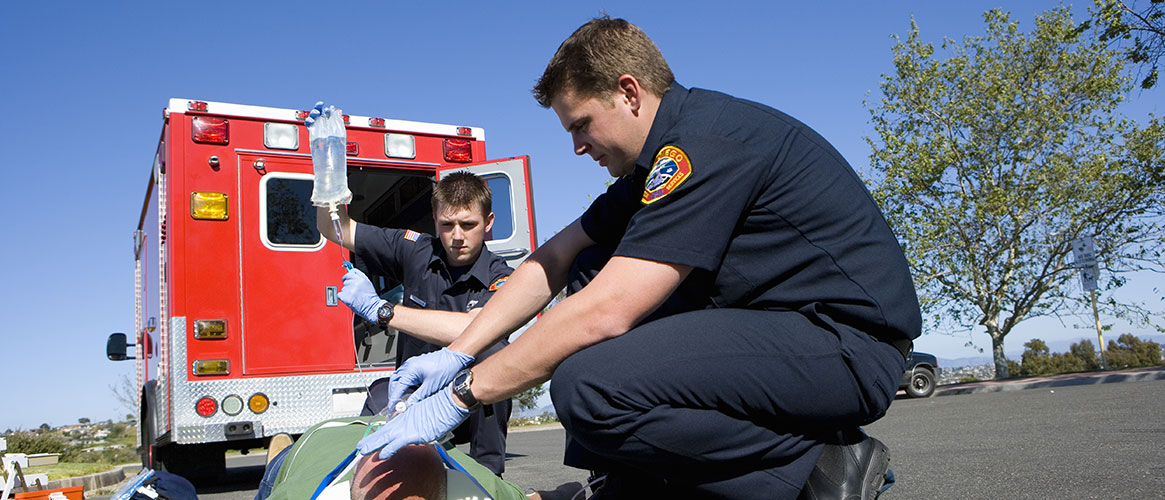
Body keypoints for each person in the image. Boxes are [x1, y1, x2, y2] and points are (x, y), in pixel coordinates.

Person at [357, 16, 922, 500]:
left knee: (588, 385)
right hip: (785, 332)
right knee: (588, 267)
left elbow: (607, 312)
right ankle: (626, 485)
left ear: (629, 92)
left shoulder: (702, 144)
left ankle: (818, 466)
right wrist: (459, 351)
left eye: (581, 125)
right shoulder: (652, 166)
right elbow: (556, 256)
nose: (577, 146)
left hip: (846, 346)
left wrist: (464, 393)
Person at [305, 137, 515, 477]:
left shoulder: (500, 276)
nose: (457, 236)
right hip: (412, 395)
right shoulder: (414, 249)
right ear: (434, 219)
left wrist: (384, 311)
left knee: (493, 354)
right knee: (372, 428)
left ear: (488, 222)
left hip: (469, 398)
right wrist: (328, 170)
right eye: (447, 225)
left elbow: (480, 328)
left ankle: (488, 477)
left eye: (468, 225)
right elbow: (335, 228)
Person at [252, 415, 575, 500]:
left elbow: (530, 499)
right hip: (320, 440)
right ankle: (280, 452)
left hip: (406, 433)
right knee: (278, 473)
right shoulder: (302, 495)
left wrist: (571, 492)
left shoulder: (475, 488)